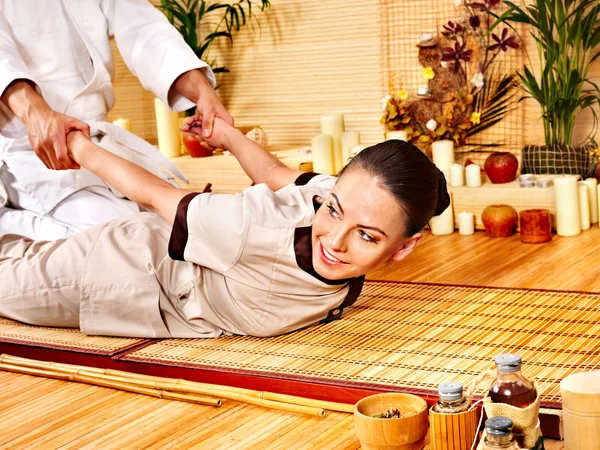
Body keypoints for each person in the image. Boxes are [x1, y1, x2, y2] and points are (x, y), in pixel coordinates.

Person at [0, 117, 450, 338]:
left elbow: (277, 174)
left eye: (367, 236)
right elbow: (155, 194)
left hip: (159, 258)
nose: (334, 239)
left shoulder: (351, 195)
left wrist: (228, 135)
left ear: (405, 246)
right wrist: (75, 144)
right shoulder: (252, 230)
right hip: (117, 271)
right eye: (333, 211)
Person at [0, 0, 232, 240]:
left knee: (171, 223)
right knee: (128, 236)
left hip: (95, 138)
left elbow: (145, 30)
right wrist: (34, 113)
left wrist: (202, 91)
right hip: (30, 146)